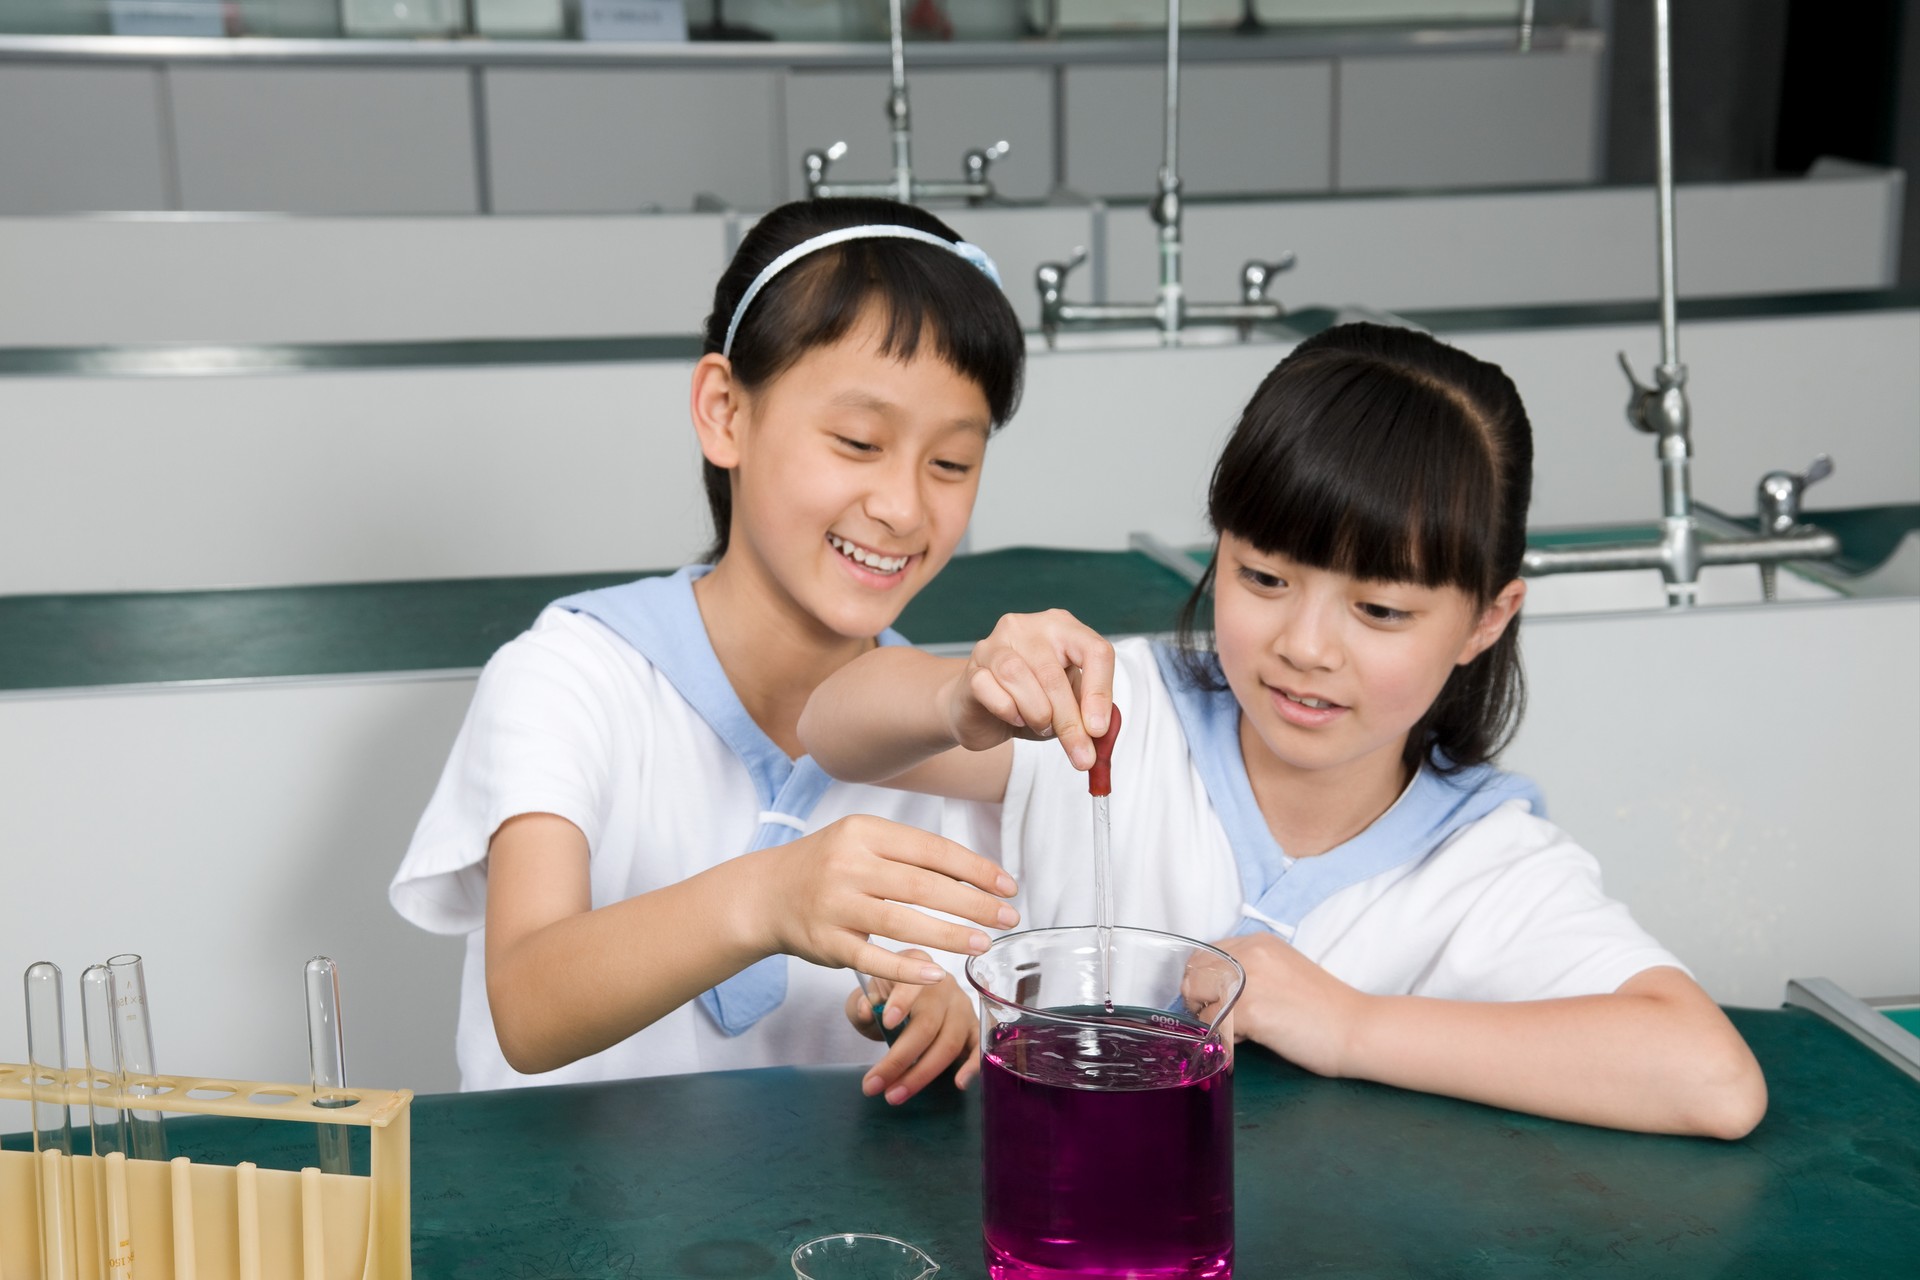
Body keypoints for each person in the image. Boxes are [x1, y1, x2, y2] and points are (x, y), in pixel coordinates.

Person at [799, 322, 1768, 1138]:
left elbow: (1712, 1079)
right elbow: (831, 721)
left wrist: (1347, 1024)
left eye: (1380, 610)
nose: (1305, 646)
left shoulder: (1485, 866)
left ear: (1486, 618)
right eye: (1263, 577)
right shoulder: (1114, 715)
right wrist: (960, 697)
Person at [390, 199, 1027, 1101]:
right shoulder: (569, 678)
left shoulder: (947, 728)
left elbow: (968, 996)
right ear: (724, 411)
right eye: (858, 442)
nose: (904, 506)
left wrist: (944, 1023)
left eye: (951, 464)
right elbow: (527, 1007)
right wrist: (769, 898)